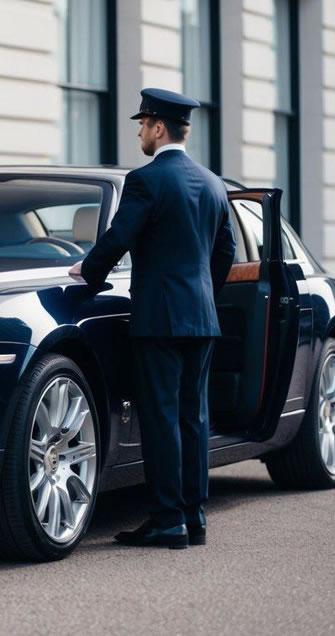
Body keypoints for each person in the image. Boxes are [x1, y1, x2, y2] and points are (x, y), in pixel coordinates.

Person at [69, 87, 236, 549]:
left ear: (158, 127)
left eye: (142, 124)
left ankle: (167, 521)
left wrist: (89, 269)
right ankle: (194, 515)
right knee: (192, 418)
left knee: (161, 419)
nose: (140, 132)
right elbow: (226, 253)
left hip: (159, 319)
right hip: (201, 318)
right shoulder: (214, 183)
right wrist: (202, 295)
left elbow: (119, 235)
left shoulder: (146, 180)